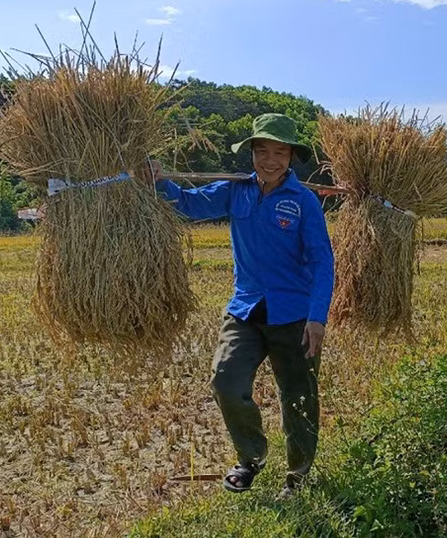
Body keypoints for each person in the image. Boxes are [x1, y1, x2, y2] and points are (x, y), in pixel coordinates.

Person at [142, 113, 334, 499]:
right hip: (245, 309)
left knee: (298, 397)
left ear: (291, 156)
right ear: (251, 153)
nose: (270, 160)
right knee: (225, 380)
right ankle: (251, 458)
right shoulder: (236, 191)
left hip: (293, 316)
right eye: (262, 151)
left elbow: (322, 261)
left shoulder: (304, 201)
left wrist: (317, 317)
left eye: (279, 152)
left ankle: (297, 476)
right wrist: (158, 180)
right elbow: (186, 204)